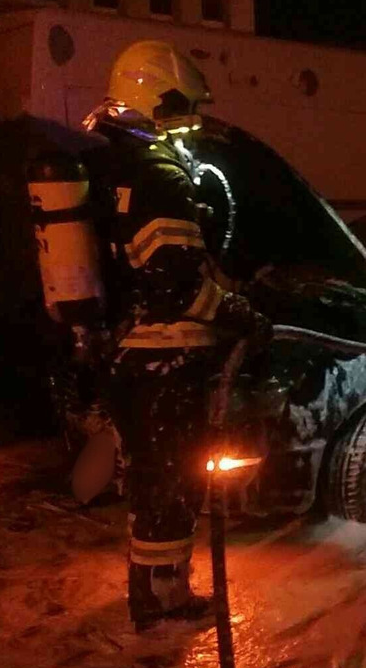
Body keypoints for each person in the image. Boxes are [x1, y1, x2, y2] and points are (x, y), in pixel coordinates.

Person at [82, 41, 271, 630]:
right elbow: (184, 289)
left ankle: (149, 595)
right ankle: (165, 605)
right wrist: (243, 315)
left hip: (131, 359)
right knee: (172, 486)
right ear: (157, 100)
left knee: (150, 484)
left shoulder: (110, 168)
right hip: (168, 361)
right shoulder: (160, 175)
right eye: (182, 108)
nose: (187, 123)